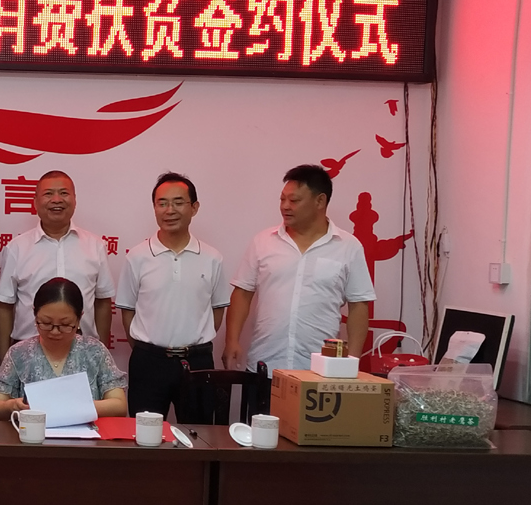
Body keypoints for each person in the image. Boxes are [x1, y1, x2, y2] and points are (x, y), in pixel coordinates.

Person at [224, 163, 376, 372]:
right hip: (265, 365)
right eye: (282, 199)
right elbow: (242, 293)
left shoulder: (348, 246)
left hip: (321, 370)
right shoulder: (263, 242)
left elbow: (358, 305)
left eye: (294, 200)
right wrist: (232, 340)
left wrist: (352, 360)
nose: (285, 206)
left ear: (320, 201)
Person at [114, 171, 230, 421]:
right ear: (154, 208)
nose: (170, 210)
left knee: (199, 433)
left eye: (178, 202)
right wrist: (150, 349)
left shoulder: (212, 258)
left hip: (197, 361)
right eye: (162, 203)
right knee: (145, 434)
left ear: (194, 207)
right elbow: (128, 311)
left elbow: (217, 310)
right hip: (149, 362)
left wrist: (193, 342)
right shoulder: (137, 257)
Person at [0, 170, 114, 360]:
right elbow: (4, 306)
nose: (56, 199)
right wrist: (4, 361)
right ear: (35, 201)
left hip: (83, 353)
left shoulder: (95, 246)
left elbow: (103, 302)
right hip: (28, 354)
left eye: (64, 193)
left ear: (74, 199)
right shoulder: (17, 248)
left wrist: (101, 357)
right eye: (48, 194)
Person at [0, 278, 127, 420]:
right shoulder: (18, 353)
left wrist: (70, 407)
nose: (55, 332)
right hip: (32, 432)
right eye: (46, 323)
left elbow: (119, 405)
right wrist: (12, 406)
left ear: (79, 318)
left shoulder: (94, 351)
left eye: (65, 324)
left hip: (86, 433)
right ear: (34, 313)